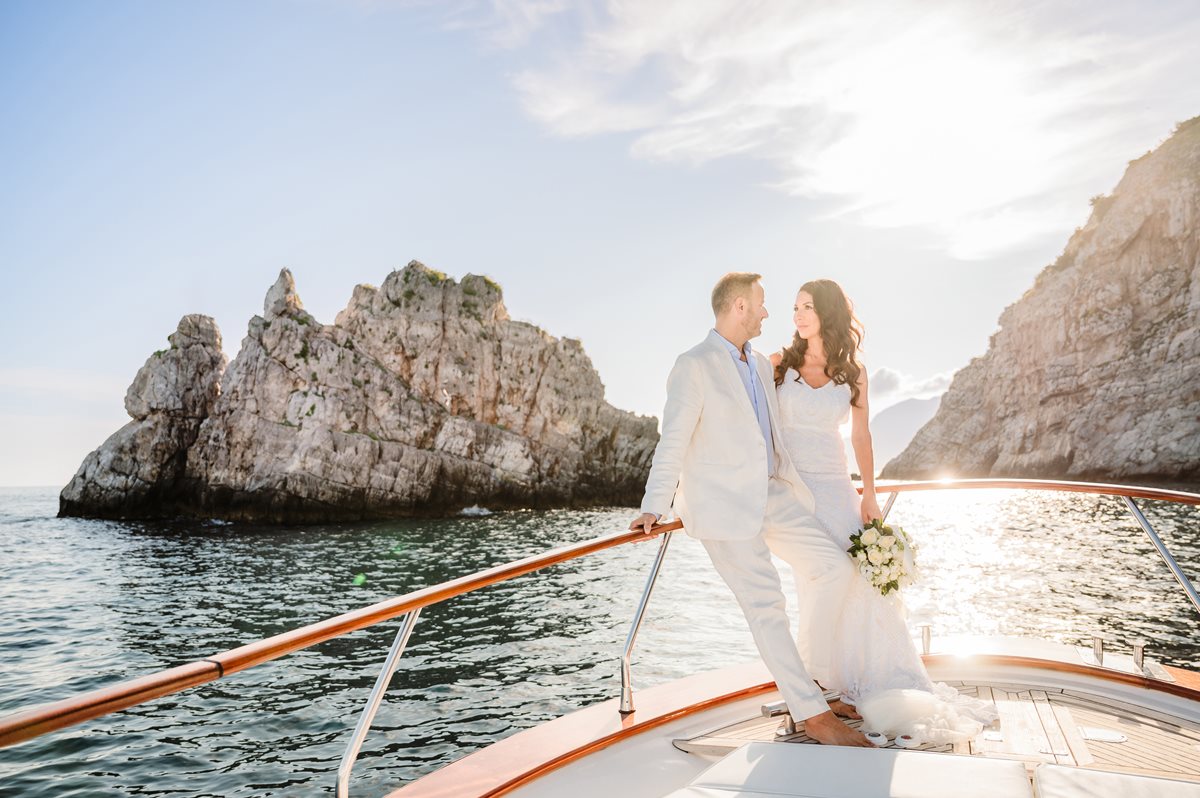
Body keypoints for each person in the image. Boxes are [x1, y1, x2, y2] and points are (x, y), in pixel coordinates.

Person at [629, 272, 871, 747]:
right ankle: (814, 715)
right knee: (768, 607)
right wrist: (653, 506)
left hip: (774, 494)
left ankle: (816, 685)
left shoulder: (761, 364)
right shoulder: (693, 364)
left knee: (833, 571)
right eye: (761, 304)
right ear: (739, 307)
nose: (767, 312)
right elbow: (672, 439)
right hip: (722, 508)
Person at [773, 279, 995, 742]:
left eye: (807, 307)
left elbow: (860, 436)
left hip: (837, 489)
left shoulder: (852, 372)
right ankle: (813, 687)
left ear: (827, 312)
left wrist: (868, 494)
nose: (797, 315)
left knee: (855, 582)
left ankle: (840, 685)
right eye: (794, 308)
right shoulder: (778, 366)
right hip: (795, 494)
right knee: (815, 584)